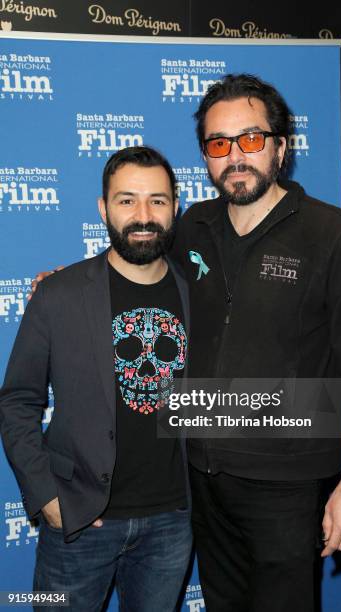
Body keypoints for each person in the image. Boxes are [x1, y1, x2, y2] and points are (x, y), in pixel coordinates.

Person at [169, 73, 341, 611]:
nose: (235, 157)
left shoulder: (331, 233)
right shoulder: (193, 224)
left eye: (250, 139)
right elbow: (139, 276)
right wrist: (68, 280)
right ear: (205, 156)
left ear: (280, 147)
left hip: (286, 489)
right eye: (219, 145)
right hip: (200, 475)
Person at [0, 146, 192, 612]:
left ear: (175, 206)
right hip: (80, 522)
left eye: (158, 201)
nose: (143, 215)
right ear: (103, 208)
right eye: (127, 200)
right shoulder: (59, 293)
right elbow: (17, 400)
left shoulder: (196, 291)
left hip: (172, 523)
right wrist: (45, 495)